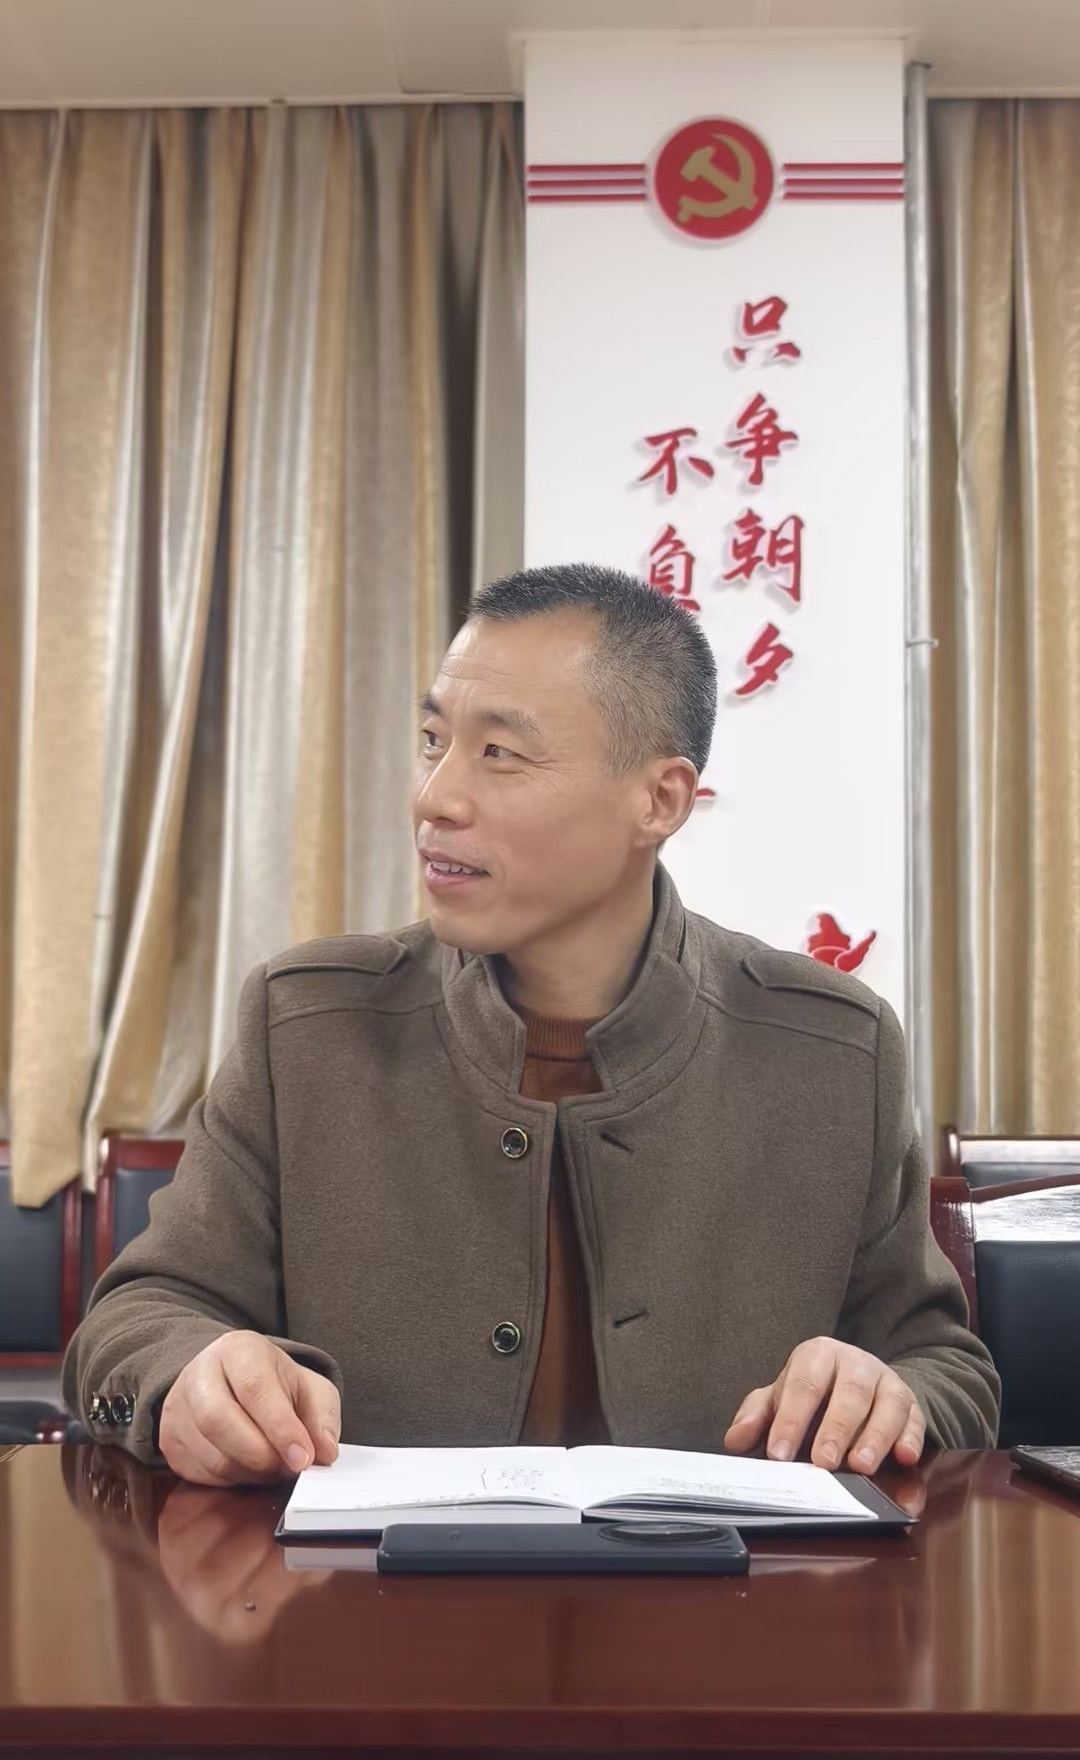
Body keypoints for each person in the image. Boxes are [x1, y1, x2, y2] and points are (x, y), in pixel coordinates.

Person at [64, 564, 999, 1485]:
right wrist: (180, 1382)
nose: (435, 797)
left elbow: (949, 1371)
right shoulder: (307, 1024)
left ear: (660, 801)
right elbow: (123, 1340)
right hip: (361, 1585)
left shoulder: (833, 1051)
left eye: (500, 754)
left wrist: (891, 1397)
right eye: (433, 740)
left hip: (730, 1586)